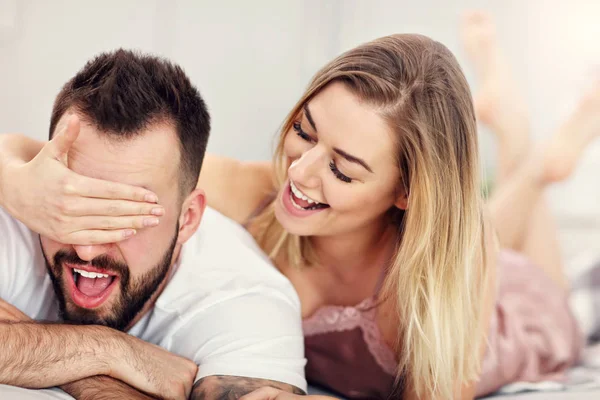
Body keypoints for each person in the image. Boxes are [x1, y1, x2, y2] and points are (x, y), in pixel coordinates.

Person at [2, 24, 597, 399]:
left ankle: (537, 160)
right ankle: (526, 146)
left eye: (343, 167)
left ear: (405, 191)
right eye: (304, 131)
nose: (301, 173)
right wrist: (20, 187)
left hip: (512, 313)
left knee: (518, 259)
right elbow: (54, 157)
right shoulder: (257, 187)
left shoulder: (439, 283)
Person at [0, 50, 307, 400]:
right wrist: (103, 355)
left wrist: (27, 349)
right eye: (77, 204)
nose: (87, 248)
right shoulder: (23, 208)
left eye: (127, 216)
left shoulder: (247, 301)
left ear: (188, 218)